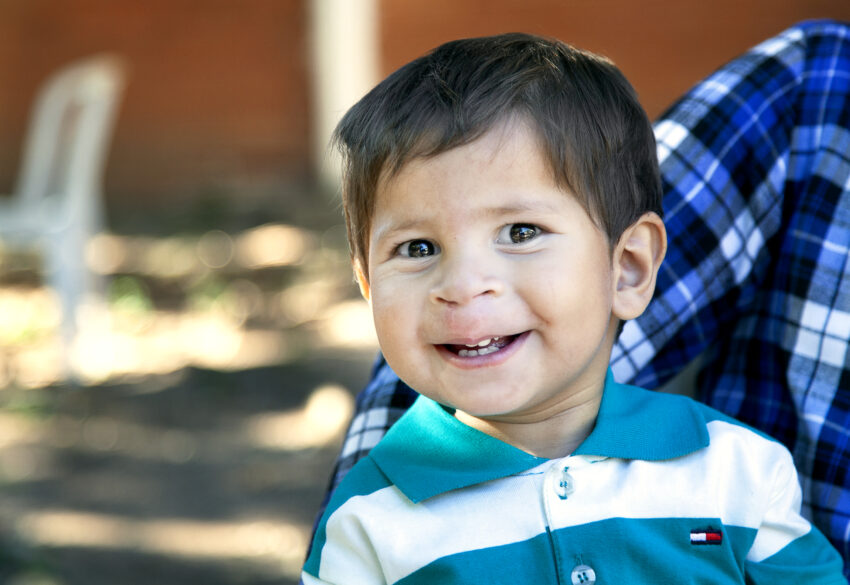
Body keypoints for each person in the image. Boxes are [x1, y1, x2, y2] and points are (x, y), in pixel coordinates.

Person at [301, 31, 844, 584]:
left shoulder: (736, 473)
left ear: (628, 267)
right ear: (367, 283)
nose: (463, 285)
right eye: (417, 248)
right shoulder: (366, 522)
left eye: (520, 231)